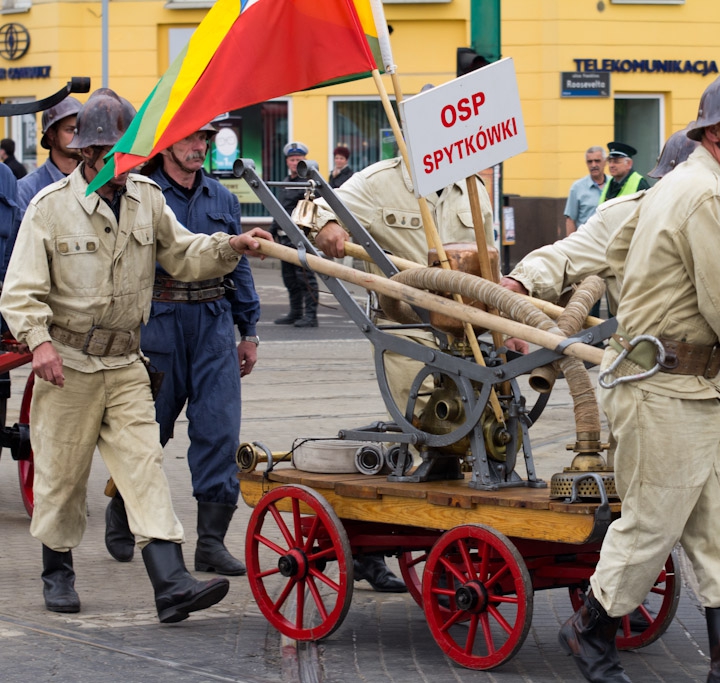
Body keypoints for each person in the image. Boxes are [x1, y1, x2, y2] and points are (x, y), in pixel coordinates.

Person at [502, 126, 720, 636]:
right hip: (658, 381)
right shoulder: (633, 212)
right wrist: (518, 284)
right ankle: (593, 632)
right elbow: (564, 254)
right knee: (657, 513)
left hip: (717, 385)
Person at [557, 67, 720, 683]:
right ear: (714, 131)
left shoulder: (698, 188)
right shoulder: (704, 194)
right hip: (664, 387)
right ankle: (589, 631)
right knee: (652, 523)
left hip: (691, 388)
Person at [0, 88, 272, 622]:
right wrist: (41, 343)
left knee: (145, 466)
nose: (117, 164)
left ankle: (171, 584)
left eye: (125, 153)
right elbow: (20, 291)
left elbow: (184, 252)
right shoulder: (49, 209)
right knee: (62, 475)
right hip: (69, 367)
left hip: (127, 364)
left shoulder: (149, 198)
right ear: (85, 155)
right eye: (107, 154)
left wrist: (227, 247)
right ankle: (57, 570)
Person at [308, 155, 495, 593]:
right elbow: (316, 207)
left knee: (490, 423)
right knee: (432, 424)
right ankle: (422, 542)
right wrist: (326, 227)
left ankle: (460, 528)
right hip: (406, 328)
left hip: (469, 331)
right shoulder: (379, 182)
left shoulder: (473, 186)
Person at [102, 123, 260, 577]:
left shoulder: (222, 198)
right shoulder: (141, 195)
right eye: (192, 138)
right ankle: (121, 509)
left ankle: (210, 543)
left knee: (219, 432)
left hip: (213, 326)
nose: (200, 147)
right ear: (167, 142)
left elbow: (239, 266)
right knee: (148, 433)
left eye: (205, 140)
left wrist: (248, 331)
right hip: (159, 324)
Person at [272, 141, 319, 328]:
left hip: (300, 236)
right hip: (284, 237)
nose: (294, 163)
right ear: (287, 161)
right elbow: (280, 210)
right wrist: (272, 231)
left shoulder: (308, 183)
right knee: (289, 277)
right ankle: (296, 312)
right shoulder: (286, 182)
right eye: (292, 160)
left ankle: (310, 315)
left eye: (298, 160)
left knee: (305, 277)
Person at [18, 97, 83, 210]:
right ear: (51, 134)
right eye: (70, 130)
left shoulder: (93, 180)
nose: (77, 136)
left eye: (80, 129)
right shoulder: (28, 188)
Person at [564, 146, 607, 235]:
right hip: (586, 240)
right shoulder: (577, 187)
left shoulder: (613, 184)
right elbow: (570, 220)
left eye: (597, 161)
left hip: (608, 240)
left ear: (605, 162)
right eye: (590, 162)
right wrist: (571, 245)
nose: (593, 165)